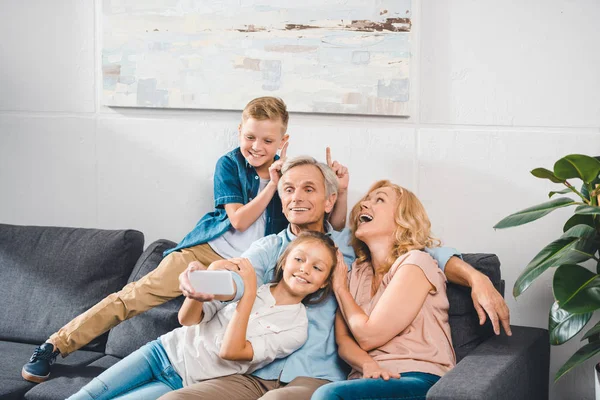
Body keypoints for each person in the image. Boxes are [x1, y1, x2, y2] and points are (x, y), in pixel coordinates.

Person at [22, 97, 346, 383]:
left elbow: (324, 227)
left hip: (242, 269)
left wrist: (337, 190)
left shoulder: (289, 180)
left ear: (282, 141)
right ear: (239, 133)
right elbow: (238, 219)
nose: (257, 147)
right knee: (131, 298)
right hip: (204, 252)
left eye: (267, 140)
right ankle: (54, 345)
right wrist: (272, 185)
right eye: (250, 137)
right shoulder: (231, 164)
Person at [160, 156, 510, 400]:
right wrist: (206, 284)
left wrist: (477, 277)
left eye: (309, 190)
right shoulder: (338, 264)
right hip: (260, 372)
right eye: (289, 190)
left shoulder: (356, 256)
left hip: (349, 376)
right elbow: (240, 275)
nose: (297, 197)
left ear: (328, 201)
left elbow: (427, 255)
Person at [67, 231, 338, 400]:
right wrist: (197, 289)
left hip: (185, 380)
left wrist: (249, 295)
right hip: (161, 352)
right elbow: (187, 319)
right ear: (284, 262)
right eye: (299, 259)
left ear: (325, 281)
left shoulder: (296, 326)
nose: (304, 269)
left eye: (317, 267)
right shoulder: (242, 285)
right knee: (88, 395)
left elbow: (231, 351)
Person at [312, 181, 456, 400]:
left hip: (420, 379)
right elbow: (343, 340)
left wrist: (340, 288)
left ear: (402, 218)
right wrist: (368, 365)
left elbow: (369, 336)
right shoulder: (356, 274)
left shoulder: (416, 263)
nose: (365, 205)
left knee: (328, 395)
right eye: (365, 200)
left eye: (379, 199)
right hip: (366, 379)